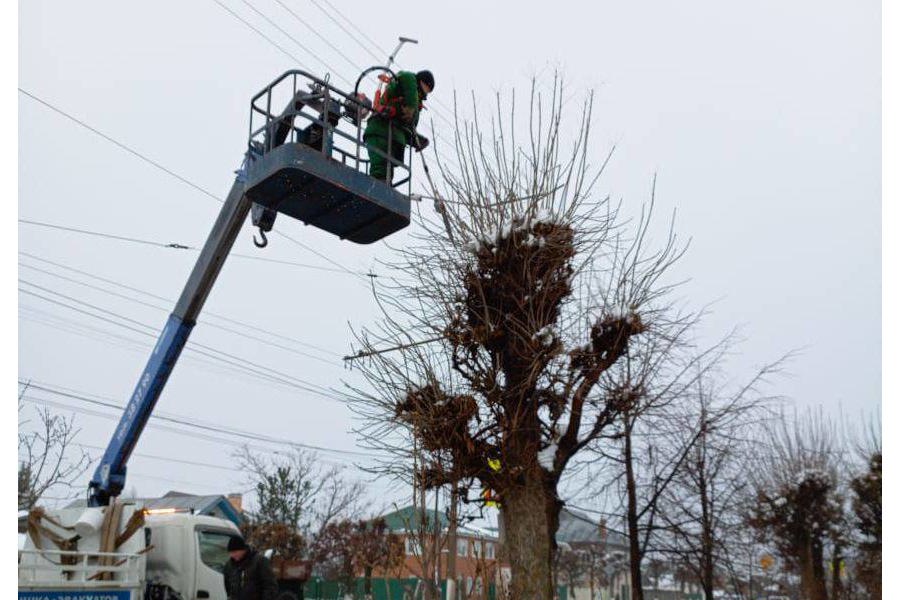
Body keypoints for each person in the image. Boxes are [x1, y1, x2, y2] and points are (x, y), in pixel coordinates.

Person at [364, 69, 434, 183]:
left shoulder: (415, 100)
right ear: (422, 82)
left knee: (387, 170)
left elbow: (407, 124)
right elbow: (407, 77)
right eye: (428, 88)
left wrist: (414, 138)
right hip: (380, 131)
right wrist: (411, 106)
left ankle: (383, 187)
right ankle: (377, 188)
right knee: (380, 166)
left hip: (392, 135)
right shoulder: (409, 81)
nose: (426, 93)